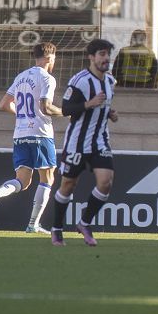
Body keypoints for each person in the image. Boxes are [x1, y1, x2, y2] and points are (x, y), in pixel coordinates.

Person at [0, 42, 63, 233]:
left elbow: (4, 104)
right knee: (47, 178)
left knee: (22, 182)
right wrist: (65, 112)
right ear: (50, 58)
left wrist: (23, 115)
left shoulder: (21, 77)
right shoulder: (48, 78)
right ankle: (33, 224)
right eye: (55, 59)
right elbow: (45, 107)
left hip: (20, 134)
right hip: (40, 134)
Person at [48, 38, 119, 247]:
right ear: (91, 57)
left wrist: (109, 113)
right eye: (102, 54)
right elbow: (67, 109)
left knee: (106, 181)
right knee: (68, 185)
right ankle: (56, 228)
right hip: (77, 142)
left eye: (108, 54)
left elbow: (101, 107)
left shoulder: (110, 82)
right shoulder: (79, 81)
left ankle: (85, 223)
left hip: (100, 141)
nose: (106, 59)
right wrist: (89, 103)